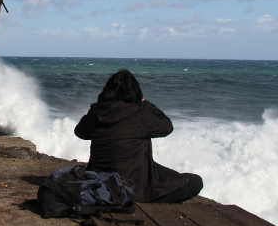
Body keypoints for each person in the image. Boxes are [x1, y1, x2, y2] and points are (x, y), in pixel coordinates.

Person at [74, 69, 203, 203]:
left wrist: (94, 110)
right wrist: (146, 104)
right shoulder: (140, 112)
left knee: (165, 172)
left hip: (98, 182)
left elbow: (80, 132)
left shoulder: (97, 112)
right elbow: (167, 127)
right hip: (133, 187)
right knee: (195, 181)